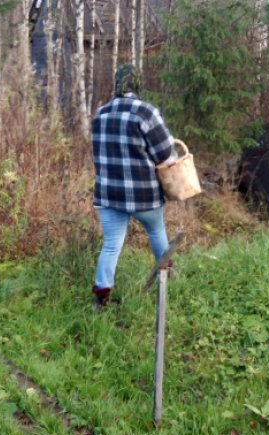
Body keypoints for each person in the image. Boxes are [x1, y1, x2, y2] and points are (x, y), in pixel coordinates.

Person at [90, 64, 177, 311]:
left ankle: (101, 297)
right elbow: (166, 155)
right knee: (157, 232)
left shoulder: (100, 114)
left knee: (111, 245)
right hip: (144, 196)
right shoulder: (146, 112)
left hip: (108, 195)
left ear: (117, 84)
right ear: (137, 84)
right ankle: (167, 276)